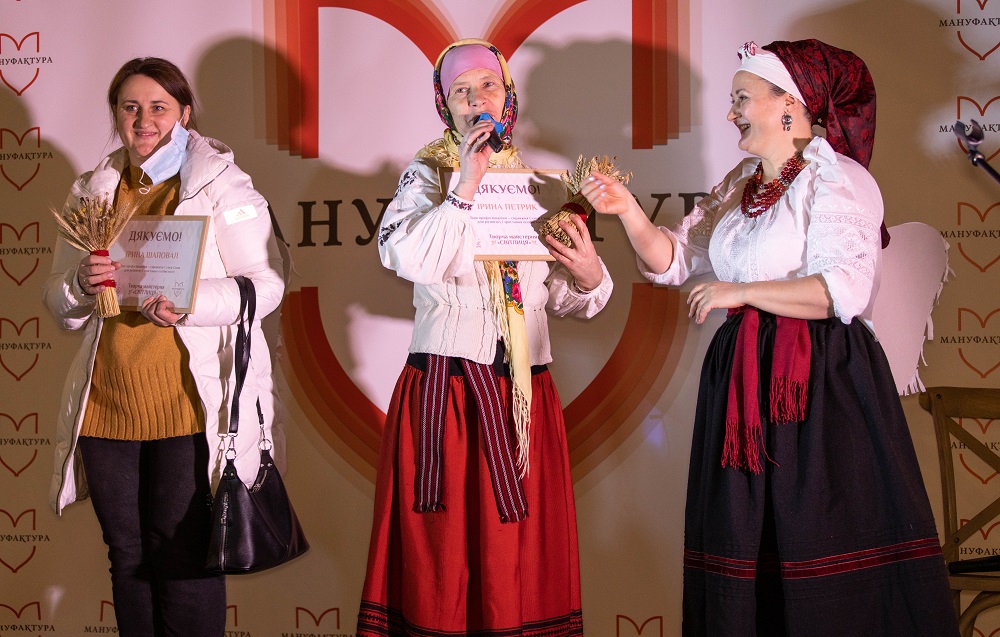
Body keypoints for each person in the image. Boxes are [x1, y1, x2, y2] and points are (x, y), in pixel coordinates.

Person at [583, 39, 958, 636]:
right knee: (745, 542)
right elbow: (675, 261)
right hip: (744, 383)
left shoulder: (839, 179)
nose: (731, 112)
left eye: (742, 98)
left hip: (821, 387)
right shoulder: (745, 188)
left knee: (820, 538)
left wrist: (741, 292)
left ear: (790, 103)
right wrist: (627, 209)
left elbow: (843, 290)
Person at [356, 39, 612, 636]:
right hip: (449, 392)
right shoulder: (427, 174)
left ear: (507, 94)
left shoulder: (533, 181)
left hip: (525, 393)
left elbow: (550, 298)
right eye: (461, 92)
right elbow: (410, 258)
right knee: (445, 559)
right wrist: (464, 187)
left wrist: (588, 274)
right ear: (444, 105)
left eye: (487, 86)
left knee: (518, 558)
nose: (477, 100)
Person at [43, 57, 285, 637]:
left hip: (187, 403)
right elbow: (58, 302)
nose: (143, 119)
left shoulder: (222, 184)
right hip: (107, 405)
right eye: (130, 107)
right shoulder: (94, 190)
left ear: (184, 113)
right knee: (127, 556)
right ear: (116, 115)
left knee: (183, 559)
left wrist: (191, 302)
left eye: (158, 107)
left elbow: (266, 285)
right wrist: (80, 285)